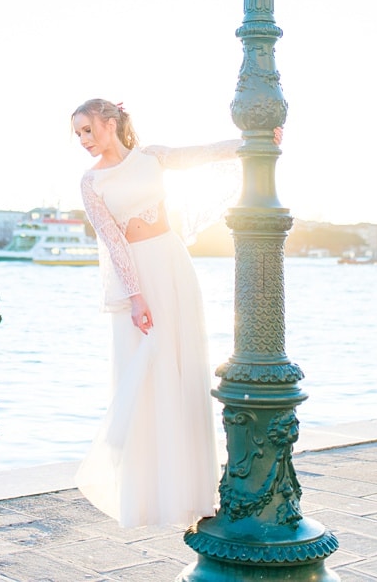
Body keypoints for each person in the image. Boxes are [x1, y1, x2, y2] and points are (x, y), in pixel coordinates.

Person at [70, 98, 242, 529]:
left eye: (87, 130)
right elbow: (113, 241)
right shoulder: (91, 182)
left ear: (110, 124)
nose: (83, 141)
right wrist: (136, 296)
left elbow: (199, 155)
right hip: (139, 277)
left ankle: (193, 493)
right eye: (78, 135)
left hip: (173, 264)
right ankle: (152, 496)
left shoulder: (152, 157)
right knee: (148, 374)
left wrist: (249, 141)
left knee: (182, 368)